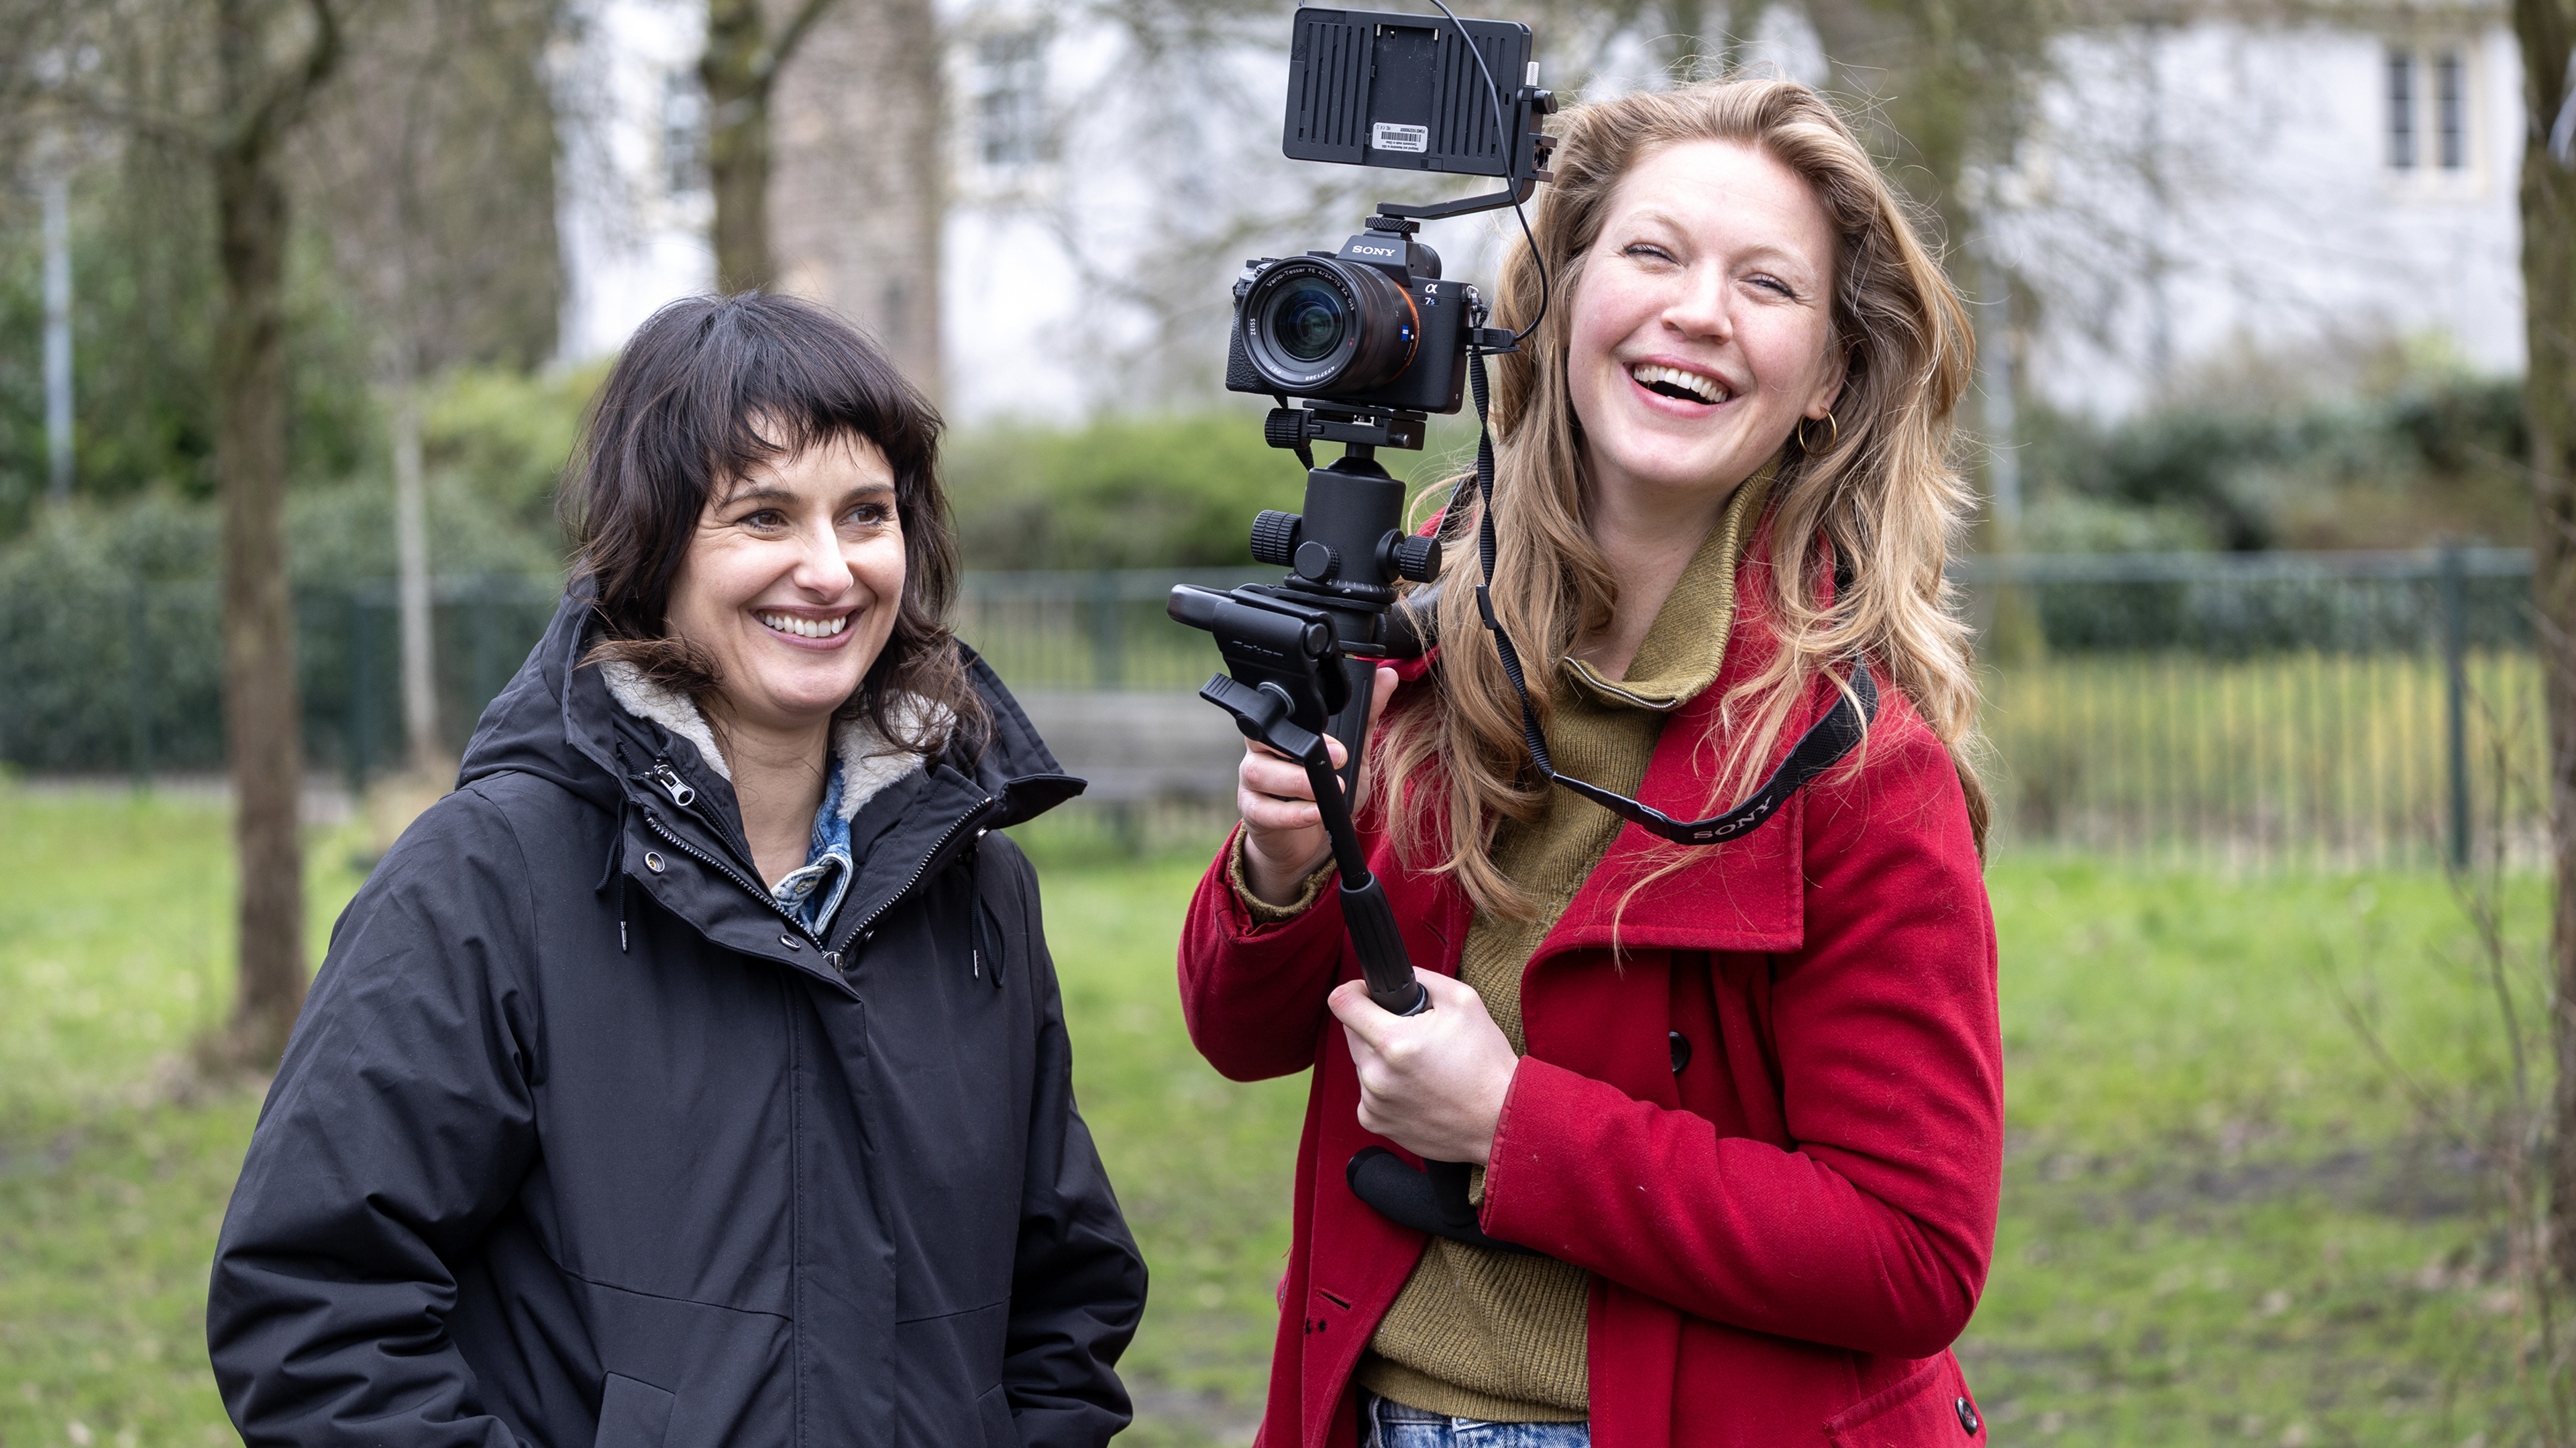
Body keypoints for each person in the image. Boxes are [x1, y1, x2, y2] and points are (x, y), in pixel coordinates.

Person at [1179, 76, 2002, 1448]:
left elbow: (1913, 1251)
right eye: (1654, 253)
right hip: (1370, 1415)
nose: (1697, 311)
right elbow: (1242, 1035)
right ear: (1555, 307)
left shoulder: (1855, 766)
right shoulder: (1426, 623)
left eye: (1767, 286)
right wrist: (1279, 869)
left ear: (1831, 380)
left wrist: (1515, 1126)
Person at [208, 294, 1146, 1447]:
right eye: (763, 517)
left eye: (867, 514)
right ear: (652, 547)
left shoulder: (979, 894)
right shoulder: (485, 878)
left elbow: (1067, 1305)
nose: (829, 569)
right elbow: (313, 1314)